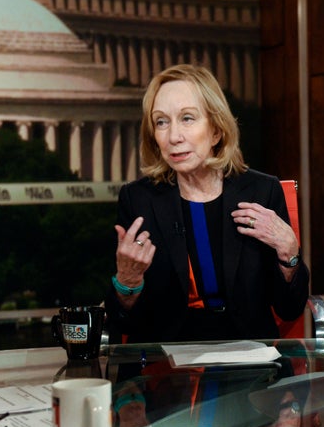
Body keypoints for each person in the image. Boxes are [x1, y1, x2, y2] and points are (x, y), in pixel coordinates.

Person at [105, 64, 309, 343]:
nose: (173, 136)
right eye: (161, 122)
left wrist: (290, 255)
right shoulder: (139, 200)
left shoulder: (263, 191)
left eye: (187, 118)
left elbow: (290, 308)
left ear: (216, 130)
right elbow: (123, 321)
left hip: (250, 364)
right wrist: (127, 282)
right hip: (164, 366)